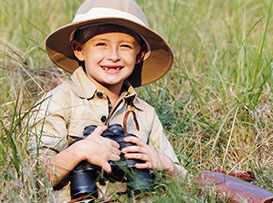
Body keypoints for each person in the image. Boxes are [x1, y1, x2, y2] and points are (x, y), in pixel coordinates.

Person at [30, 0, 186, 202]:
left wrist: (166, 165)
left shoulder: (145, 114)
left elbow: (186, 185)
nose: (113, 56)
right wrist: (80, 151)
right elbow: (31, 178)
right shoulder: (58, 101)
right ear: (79, 50)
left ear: (139, 56)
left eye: (125, 46)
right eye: (101, 44)